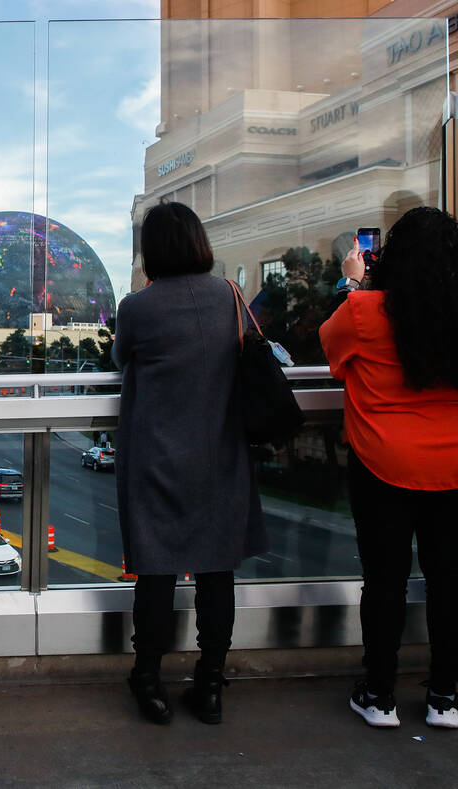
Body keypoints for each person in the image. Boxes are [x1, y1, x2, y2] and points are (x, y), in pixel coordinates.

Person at [112, 201, 266, 726]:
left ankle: (149, 681)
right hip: (220, 456)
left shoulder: (137, 307)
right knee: (215, 575)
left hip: (156, 458)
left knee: (155, 576)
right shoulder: (229, 296)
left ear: (151, 251)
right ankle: (210, 685)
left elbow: (121, 358)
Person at [319, 206, 458, 730]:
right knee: (450, 582)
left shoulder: (366, 311)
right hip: (454, 466)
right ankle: (445, 697)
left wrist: (351, 283)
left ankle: (379, 696)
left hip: (383, 462)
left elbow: (329, 348)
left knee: (385, 582)